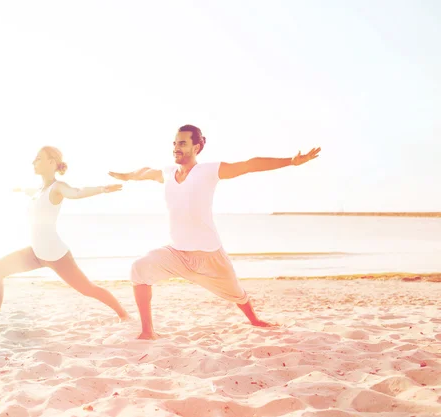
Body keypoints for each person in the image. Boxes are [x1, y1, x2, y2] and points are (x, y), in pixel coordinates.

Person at [109, 125, 320, 339]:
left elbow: (249, 165)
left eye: (182, 143)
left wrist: (290, 162)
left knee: (237, 294)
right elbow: (144, 172)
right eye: (174, 143)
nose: (176, 148)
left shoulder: (208, 171)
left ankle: (254, 320)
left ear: (197, 147)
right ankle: (148, 332)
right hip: (177, 254)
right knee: (139, 270)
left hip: (210, 256)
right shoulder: (168, 173)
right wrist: (126, 176)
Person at [0, 146, 129, 331]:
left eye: (38, 159)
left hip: (56, 255)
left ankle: (123, 313)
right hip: (35, 253)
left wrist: (102, 189)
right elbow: (26, 190)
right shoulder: (38, 190)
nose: (33, 162)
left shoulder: (58, 187)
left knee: (88, 289)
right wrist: (13, 188)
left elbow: (77, 192)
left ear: (51, 163)